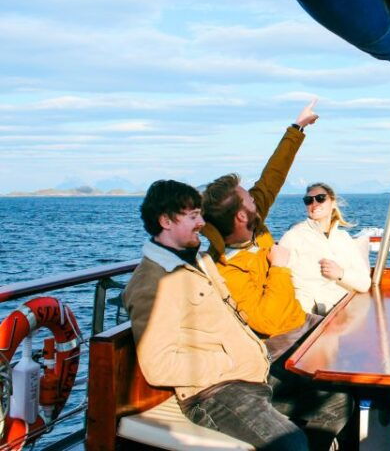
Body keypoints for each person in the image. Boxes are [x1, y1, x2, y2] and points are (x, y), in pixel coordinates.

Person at [123, 180, 309, 450]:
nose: (202, 223)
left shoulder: (199, 262)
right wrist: (230, 360)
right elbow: (159, 366)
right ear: (165, 221)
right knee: (290, 443)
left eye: (200, 214)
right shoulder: (153, 282)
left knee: (336, 401)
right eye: (192, 216)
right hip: (214, 394)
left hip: (251, 374)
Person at [200, 99, 318, 337]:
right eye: (250, 199)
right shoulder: (227, 270)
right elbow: (268, 323)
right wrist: (279, 267)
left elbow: (272, 177)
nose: (257, 198)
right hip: (277, 344)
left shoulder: (252, 225)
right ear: (242, 216)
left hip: (298, 320)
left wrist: (297, 128)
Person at [280, 183, 371, 314]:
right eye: (308, 200)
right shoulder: (293, 237)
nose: (314, 203)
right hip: (307, 313)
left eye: (321, 198)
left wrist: (340, 274)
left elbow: (364, 283)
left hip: (343, 311)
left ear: (333, 202)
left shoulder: (344, 238)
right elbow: (279, 278)